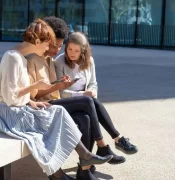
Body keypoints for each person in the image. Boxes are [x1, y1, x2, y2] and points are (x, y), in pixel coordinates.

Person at [0, 19, 112, 180]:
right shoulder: (13, 57)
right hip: (10, 115)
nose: (49, 48)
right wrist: (35, 87)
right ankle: (63, 172)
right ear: (37, 41)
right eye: (48, 44)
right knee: (50, 120)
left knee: (58, 111)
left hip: (19, 108)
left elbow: (14, 93)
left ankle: (81, 160)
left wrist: (31, 101)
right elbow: (10, 97)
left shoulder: (20, 58)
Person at [27, 16, 126, 180]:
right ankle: (103, 146)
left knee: (86, 118)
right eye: (55, 45)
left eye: (60, 45)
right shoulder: (34, 60)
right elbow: (33, 96)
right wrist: (57, 86)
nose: (58, 49)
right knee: (87, 101)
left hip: (55, 104)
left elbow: (84, 84)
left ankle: (84, 170)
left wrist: (59, 85)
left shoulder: (48, 59)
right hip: (43, 108)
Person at [54, 32, 138, 154]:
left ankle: (90, 161)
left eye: (76, 50)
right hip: (68, 100)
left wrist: (92, 92)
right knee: (90, 104)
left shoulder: (89, 61)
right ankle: (116, 139)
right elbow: (60, 92)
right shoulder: (60, 61)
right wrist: (83, 95)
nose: (72, 53)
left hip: (86, 100)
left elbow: (93, 83)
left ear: (83, 51)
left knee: (89, 115)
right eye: (70, 49)